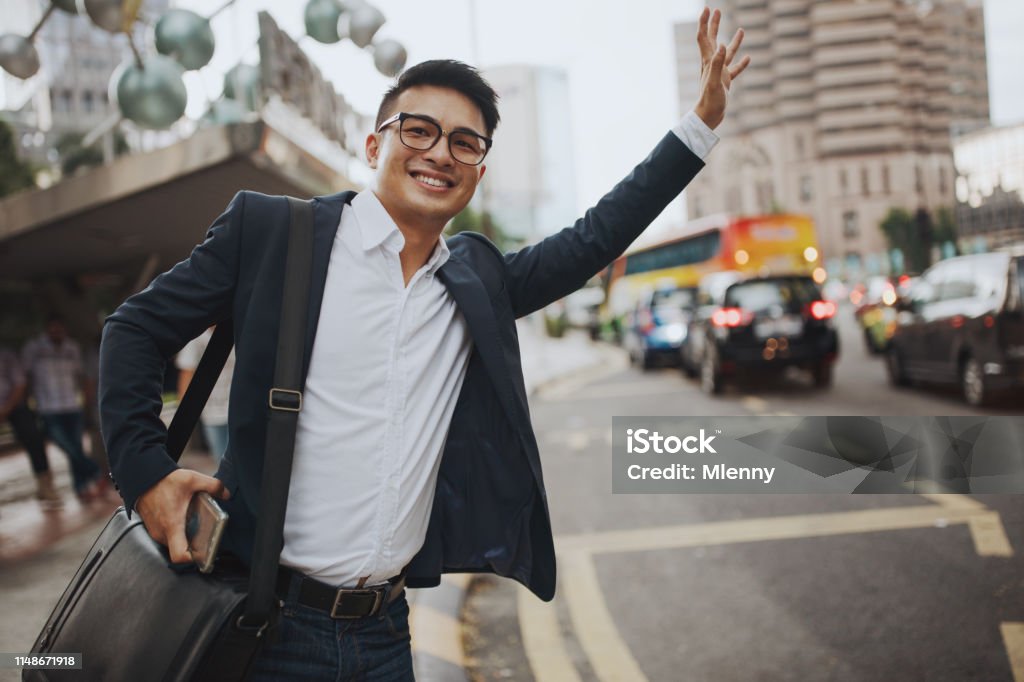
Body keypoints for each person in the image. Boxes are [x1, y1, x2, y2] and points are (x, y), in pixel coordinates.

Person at [99, 8, 749, 679]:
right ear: (376, 146)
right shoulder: (273, 233)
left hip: (384, 633)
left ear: (478, 171)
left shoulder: (476, 280)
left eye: (465, 143)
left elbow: (595, 237)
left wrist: (698, 126)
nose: (441, 152)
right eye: (419, 130)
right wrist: (145, 472)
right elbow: (134, 330)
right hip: (262, 623)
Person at [22, 317, 104, 502]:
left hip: (71, 405)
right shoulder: (34, 348)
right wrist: (29, 404)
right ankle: (95, 471)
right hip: (48, 408)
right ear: (47, 329)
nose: (56, 333)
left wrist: (85, 402)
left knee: (75, 446)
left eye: (60, 329)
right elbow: (27, 377)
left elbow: (81, 376)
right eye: (53, 329)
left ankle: (81, 488)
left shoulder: (72, 348)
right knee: (67, 446)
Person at [0, 347, 64, 509]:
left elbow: (20, 383)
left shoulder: (6, 354)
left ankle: (45, 485)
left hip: (13, 404)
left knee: (34, 438)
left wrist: (6, 408)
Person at [175, 326, 233, 462]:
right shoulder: (195, 337)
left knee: (241, 461)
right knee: (221, 461)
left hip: (239, 408)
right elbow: (187, 375)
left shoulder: (238, 330)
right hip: (211, 410)